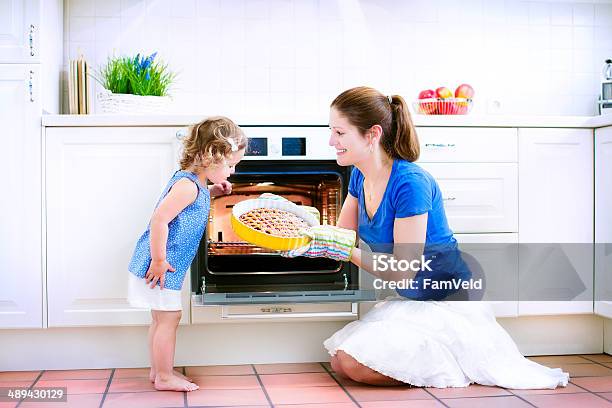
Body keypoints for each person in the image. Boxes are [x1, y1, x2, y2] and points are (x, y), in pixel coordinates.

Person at [286, 86, 569, 389]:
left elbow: (401, 270)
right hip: (411, 299)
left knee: (355, 364)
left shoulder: (410, 183)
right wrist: (300, 229)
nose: (331, 141)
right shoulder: (359, 174)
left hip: (446, 300)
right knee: (341, 361)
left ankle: (456, 363)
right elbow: (342, 237)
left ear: (372, 135)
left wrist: (345, 251)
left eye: (339, 133)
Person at [127, 116, 247, 392]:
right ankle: (165, 376)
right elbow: (159, 220)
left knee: (161, 319)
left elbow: (191, 203)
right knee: (169, 318)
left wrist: (214, 189)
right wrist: (158, 261)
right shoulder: (187, 187)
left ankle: (158, 372)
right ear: (210, 156)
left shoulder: (195, 183)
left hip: (163, 263)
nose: (232, 172)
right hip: (160, 264)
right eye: (229, 165)